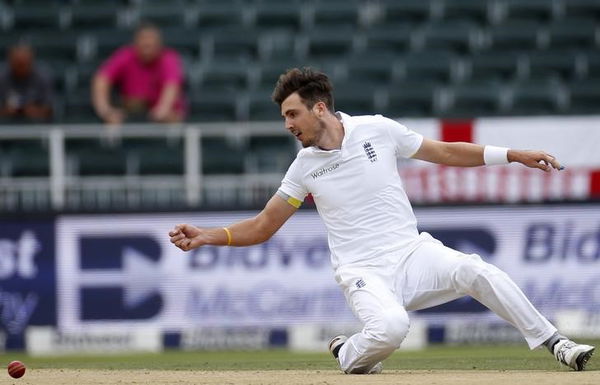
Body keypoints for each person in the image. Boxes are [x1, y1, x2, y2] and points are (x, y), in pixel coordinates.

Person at [168, 68, 594, 373]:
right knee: (391, 329)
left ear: (319, 109)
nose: (288, 124)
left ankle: (555, 342)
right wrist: (206, 235)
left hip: (412, 252)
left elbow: (444, 152)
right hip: (362, 270)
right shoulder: (303, 168)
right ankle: (348, 353)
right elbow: (264, 226)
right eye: (284, 117)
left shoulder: (377, 129)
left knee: (474, 268)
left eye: (292, 114)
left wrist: (512, 154)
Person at [92, 23, 186, 125]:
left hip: (163, 116)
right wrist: (105, 110)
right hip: (131, 114)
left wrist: (162, 109)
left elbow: (172, 85)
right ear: (135, 42)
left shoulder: (169, 58)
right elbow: (102, 79)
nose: (147, 44)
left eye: (151, 42)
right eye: (143, 40)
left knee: (172, 118)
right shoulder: (125, 56)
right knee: (112, 122)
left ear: (159, 44)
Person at [0, 43, 53, 123]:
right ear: (10, 62)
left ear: (31, 62)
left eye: (24, 64)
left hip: (37, 127)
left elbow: (50, 110)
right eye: (17, 64)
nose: (21, 68)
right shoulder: (2, 78)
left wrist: (33, 111)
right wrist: (7, 111)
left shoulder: (42, 78)